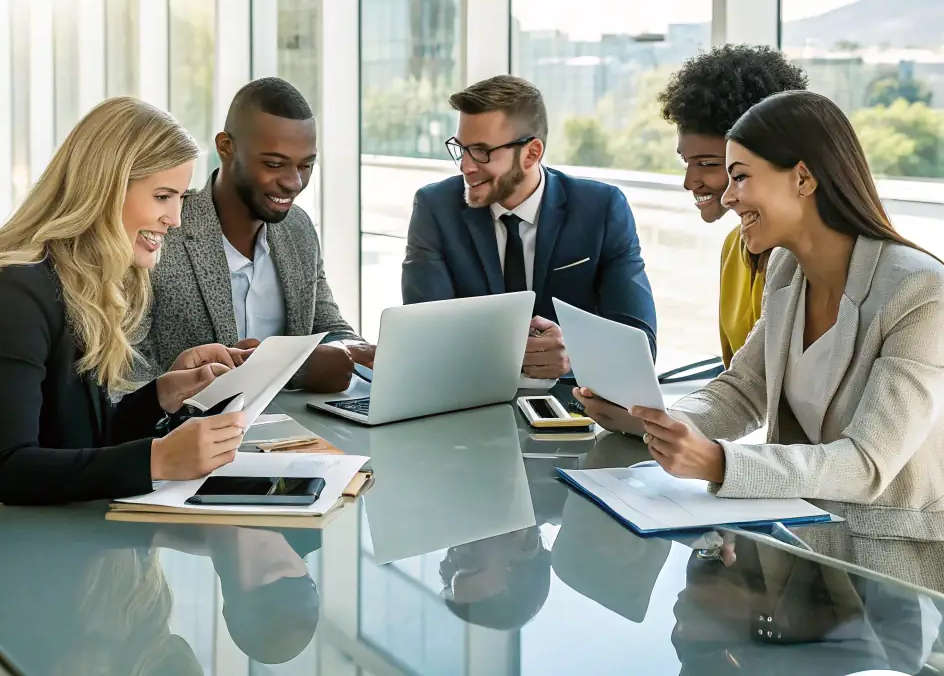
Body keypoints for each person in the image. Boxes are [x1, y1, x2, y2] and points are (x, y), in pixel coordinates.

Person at [574, 91, 944, 540]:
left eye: (741, 177)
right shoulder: (786, 270)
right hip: (800, 538)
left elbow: (866, 464)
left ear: (803, 178)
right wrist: (661, 422)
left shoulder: (919, 290)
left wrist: (718, 462)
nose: (728, 197)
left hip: (887, 558)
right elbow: (743, 390)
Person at [0, 97, 248, 545]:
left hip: (49, 542)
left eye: (180, 198)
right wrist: (157, 459)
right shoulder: (11, 293)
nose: (174, 219)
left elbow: (75, 440)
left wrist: (162, 395)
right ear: (106, 188)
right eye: (162, 196)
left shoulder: (85, 282)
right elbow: (6, 469)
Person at [402, 75, 656, 382]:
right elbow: (425, 336)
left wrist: (574, 354)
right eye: (461, 148)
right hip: (468, 396)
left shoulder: (601, 209)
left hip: (574, 401)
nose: (465, 166)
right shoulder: (435, 208)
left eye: (481, 151)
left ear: (532, 153)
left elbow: (640, 343)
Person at [137, 78, 372, 393]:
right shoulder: (161, 233)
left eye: (306, 166)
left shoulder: (298, 228)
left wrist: (354, 350)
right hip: (188, 421)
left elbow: (328, 327)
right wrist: (288, 367)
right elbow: (126, 377)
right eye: (274, 164)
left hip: (296, 422)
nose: (293, 182)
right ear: (226, 147)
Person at [656, 45, 808, 366]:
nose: (689, 181)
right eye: (686, 161)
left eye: (708, 164)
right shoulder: (734, 249)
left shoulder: (815, 261)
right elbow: (738, 377)